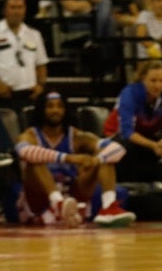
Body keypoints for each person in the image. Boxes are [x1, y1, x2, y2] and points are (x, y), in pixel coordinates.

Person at [14, 91, 135, 227]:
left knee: (105, 156)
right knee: (34, 160)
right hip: (39, 196)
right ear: (41, 110)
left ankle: (109, 207)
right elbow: (24, 152)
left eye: (60, 106)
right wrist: (70, 158)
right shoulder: (30, 135)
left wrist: (95, 161)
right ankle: (57, 203)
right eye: (50, 106)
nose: (55, 110)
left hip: (72, 194)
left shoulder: (78, 136)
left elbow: (118, 149)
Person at [112, 58, 162, 190]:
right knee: (125, 148)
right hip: (120, 136)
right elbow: (127, 131)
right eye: (153, 80)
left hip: (149, 136)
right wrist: (154, 146)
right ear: (143, 79)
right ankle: (129, 191)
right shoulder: (129, 93)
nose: (157, 85)